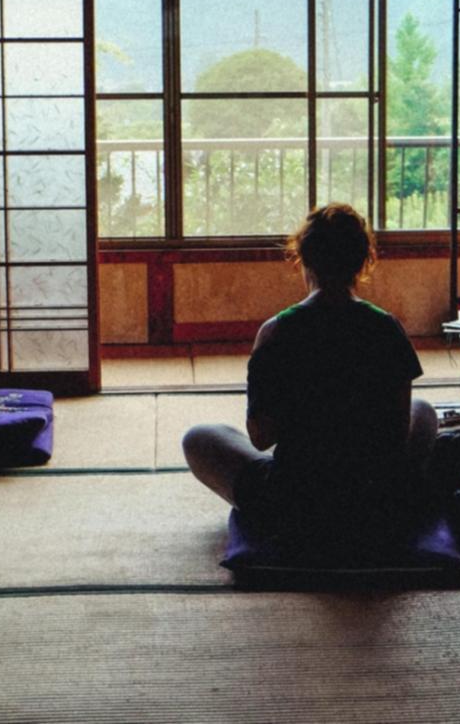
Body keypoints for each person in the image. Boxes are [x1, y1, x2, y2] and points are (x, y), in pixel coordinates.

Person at [182, 203, 438, 552]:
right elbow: (395, 441)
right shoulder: (385, 327)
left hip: (295, 501)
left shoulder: (276, 331)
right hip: (375, 502)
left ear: (302, 258)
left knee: (200, 437)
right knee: (424, 409)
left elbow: (260, 438)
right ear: (364, 261)